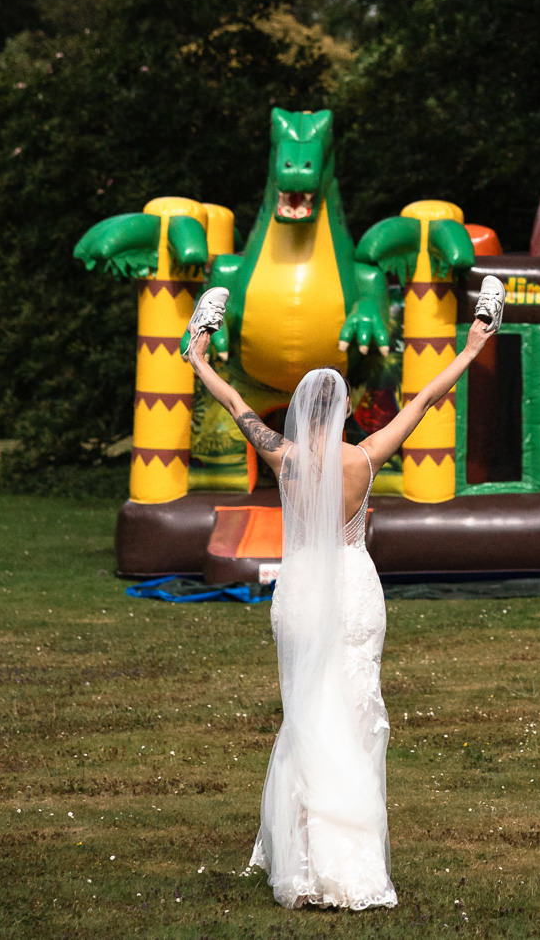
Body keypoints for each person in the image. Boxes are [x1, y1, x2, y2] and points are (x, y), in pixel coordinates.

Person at [185, 279, 502, 910]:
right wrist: (471, 347)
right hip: (354, 589)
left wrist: (198, 355)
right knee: (354, 715)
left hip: (301, 588)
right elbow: (426, 399)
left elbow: (231, 401)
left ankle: (302, 857)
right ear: (345, 413)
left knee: (307, 713)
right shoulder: (365, 458)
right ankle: (349, 857)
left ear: (301, 413)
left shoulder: (283, 457)